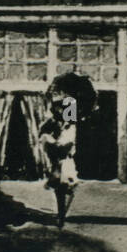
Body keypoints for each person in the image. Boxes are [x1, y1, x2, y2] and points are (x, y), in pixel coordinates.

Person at [39, 96, 78, 229]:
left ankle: (62, 213)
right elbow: (43, 133)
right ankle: (61, 214)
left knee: (66, 185)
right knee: (59, 187)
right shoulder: (52, 122)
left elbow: (71, 141)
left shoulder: (71, 125)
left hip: (66, 158)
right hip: (56, 158)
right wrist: (50, 141)